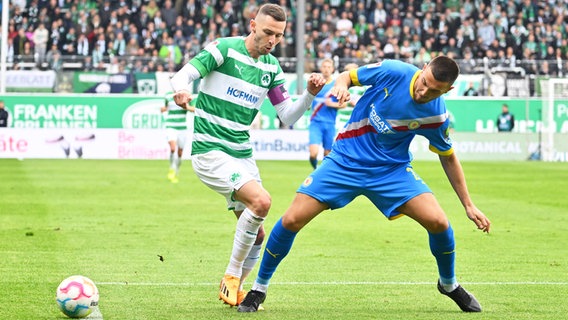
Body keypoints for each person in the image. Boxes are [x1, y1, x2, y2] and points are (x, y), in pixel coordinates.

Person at [238, 56, 492, 313]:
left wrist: (468, 205)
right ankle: (259, 288)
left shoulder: (436, 115)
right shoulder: (394, 71)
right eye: (424, 82)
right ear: (423, 68)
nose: (423, 91)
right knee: (292, 219)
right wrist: (340, 86)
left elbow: (448, 157)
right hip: (344, 161)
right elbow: (347, 77)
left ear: (447, 91)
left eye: (434, 90)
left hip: (391, 172)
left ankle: (448, 284)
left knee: (439, 223)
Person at [168, 3, 326, 307]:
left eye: (278, 36)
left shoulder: (271, 67)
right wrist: (181, 91)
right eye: (268, 32)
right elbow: (183, 75)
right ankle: (231, 276)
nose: (272, 40)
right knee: (262, 201)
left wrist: (309, 94)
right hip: (210, 149)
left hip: (241, 154)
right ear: (253, 25)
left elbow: (288, 116)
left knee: (257, 234)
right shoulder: (223, 50)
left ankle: (235, 291)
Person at [308, 58, 346, 169]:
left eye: (329, 67)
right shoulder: (316, 84)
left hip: (330, 123)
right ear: (321, 68)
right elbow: (308, 98)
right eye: (324, 67)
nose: (326, 69)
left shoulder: (336, 85)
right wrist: (307, 105)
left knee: (327, 154)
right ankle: (315, 170)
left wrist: (332, 104)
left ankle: (321, 176)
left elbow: (343, 104)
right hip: (316, 123)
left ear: (332, 69)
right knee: (313, 153)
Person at [161, 92, 195, 183]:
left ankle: (176, 171)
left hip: (182, 128)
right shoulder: (168, 96)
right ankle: (172, 168)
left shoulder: (187, 96)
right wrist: (163, 109)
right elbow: (165, 108)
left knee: (180, 153)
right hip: (170, 126)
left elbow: (194, 109)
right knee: (172, 148)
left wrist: (186, 107)